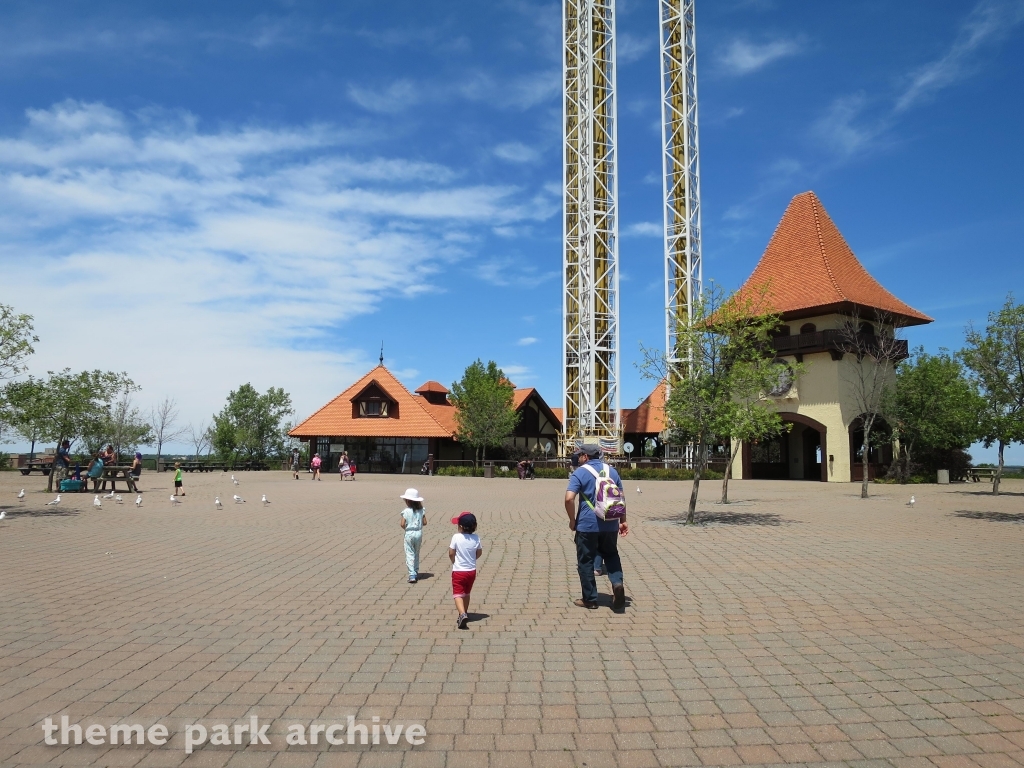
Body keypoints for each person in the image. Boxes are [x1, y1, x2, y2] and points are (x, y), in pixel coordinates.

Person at [564, 444, 628, 611]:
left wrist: (572, 520)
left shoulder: (579, 473)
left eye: (580, 454)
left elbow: (569, 499)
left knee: (586, 560)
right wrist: (623, 520)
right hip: (611, 523)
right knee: (611, 554)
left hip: (587, 524)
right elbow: (621, 497)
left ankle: (590, 599)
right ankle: (617, 584)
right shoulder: (612, 472)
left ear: (586, 456)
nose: (578, 457)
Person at [449, 512, 483, 629]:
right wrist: (472, 559)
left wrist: (454, 561)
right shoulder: (476, 538)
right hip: (471, 571)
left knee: (458, 593)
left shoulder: (456, 537)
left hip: (458, 571)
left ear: (461, 527)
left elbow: (451, 552)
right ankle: (464, 612)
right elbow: (479, 552)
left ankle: (462, 614)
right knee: (466, 593)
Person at [399, 488, 427, 583]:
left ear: (407, 501)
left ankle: (412, 574)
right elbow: (425, 522)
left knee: (409, 552)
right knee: (416, 552)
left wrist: (407, 528)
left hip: (409, 533)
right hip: (418, 532)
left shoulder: (406, 511)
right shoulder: (421, 510)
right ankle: (416, 570)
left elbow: (402, 524)